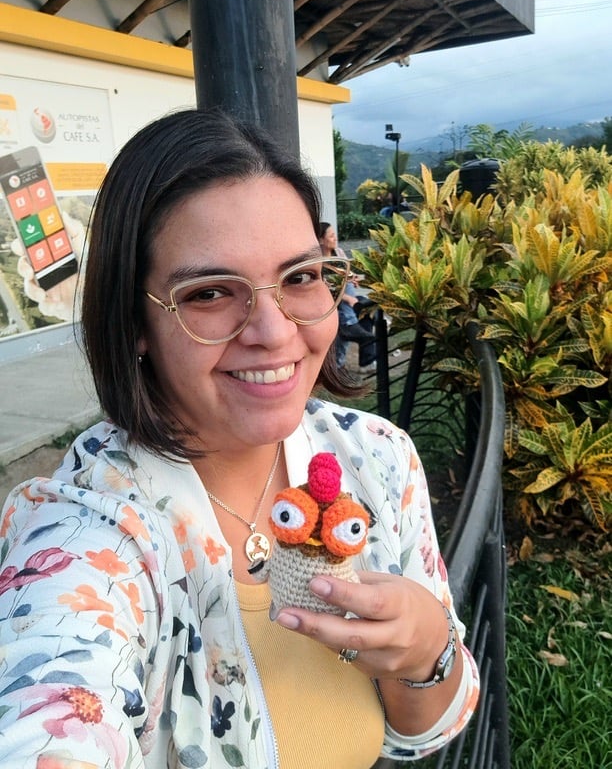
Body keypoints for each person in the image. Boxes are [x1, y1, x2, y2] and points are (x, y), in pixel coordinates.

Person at [0, 109, 479, 769]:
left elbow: (421, 733)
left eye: (301, 276)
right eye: (209, 293)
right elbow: (49, 712)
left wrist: (428, 651)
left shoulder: (375, 459)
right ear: (133, 319)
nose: (274, 331)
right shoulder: (90, 539)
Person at [317, 221, 377, 372]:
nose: (335, 238)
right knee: (353, 310)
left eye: (334, 234)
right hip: (330, 301)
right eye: (331, 236)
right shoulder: (317, 262)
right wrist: (348, 298)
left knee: (367, 312)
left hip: (346, 300)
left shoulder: (339, 253)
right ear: (321, 240)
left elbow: (348, 274)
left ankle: (365, 360)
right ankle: (349, 327)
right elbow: (324, 287)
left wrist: (354, 278)